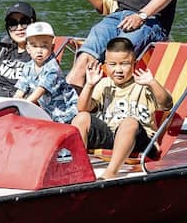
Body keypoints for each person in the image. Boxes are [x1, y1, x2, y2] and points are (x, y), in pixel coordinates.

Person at [71, 37, 173, 179]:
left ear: (134, 64)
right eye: (112, 64)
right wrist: (89, 85)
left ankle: (111, 172)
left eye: (124, 64)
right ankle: (79, 169)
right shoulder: (104, 84)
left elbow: (167, 104)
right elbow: (83, 108)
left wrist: (153, 83)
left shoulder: (143, 84)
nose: (118, 69)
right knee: (82, 117)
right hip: (112, 137)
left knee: (129, 122)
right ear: (105, 65)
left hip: (141, 142)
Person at [13, 21, 78, 123]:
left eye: (44, 46)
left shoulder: (53, 68)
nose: (39, 51)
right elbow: (21, 89)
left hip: (67, 113)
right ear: (28, 49)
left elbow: (40, 90)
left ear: (52, 48)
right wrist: (14, 102)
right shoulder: (28, 67)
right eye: (34, 46)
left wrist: (24, 104)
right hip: (49, 112)